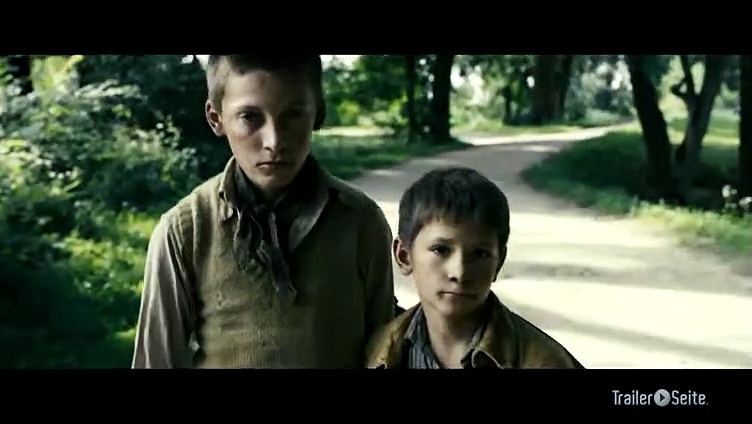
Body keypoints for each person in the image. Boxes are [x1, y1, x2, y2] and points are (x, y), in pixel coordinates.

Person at [131, 55, 396, 368]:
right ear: (216, 118)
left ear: (319, 113)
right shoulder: (185, 231)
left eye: (293, 115)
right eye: (250, 117)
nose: (274, 141)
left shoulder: (361, 221)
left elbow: (384, 351)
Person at [365, 167, 584, 369]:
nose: (460, 273)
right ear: (404, 256)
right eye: (441, 250)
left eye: (480, 254)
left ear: (498, 262)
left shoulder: (545, 361)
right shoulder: (379, 353)